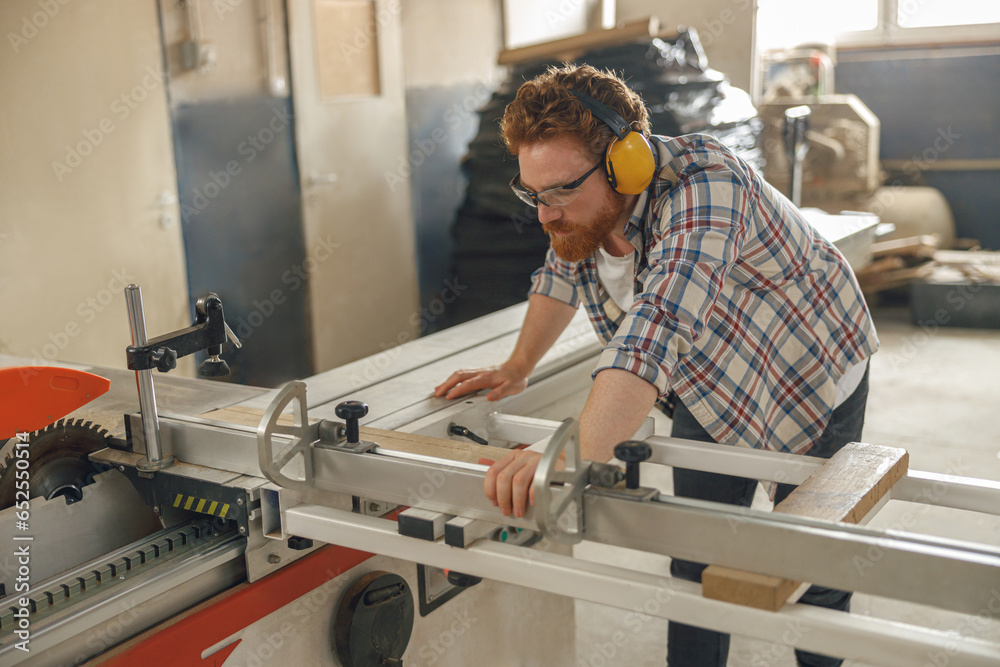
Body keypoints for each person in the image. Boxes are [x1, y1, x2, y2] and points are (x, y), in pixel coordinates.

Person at [434, 64, 877, 667]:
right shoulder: (578, 204)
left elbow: (655, 332)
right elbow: (559, 272)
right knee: (695, 554)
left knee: (812, 555)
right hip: (712, 380)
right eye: (533, 194)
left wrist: (569, 455)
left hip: (808, 366)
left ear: (628, 163)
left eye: (561, 191)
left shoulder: (708, 188)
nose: (545, 214)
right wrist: (518, 365)